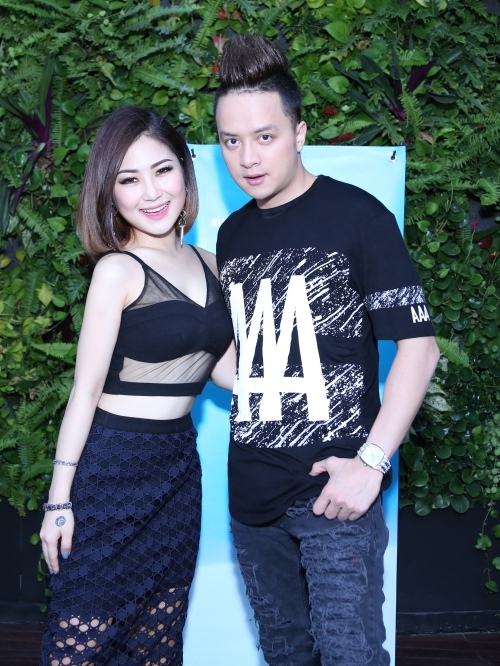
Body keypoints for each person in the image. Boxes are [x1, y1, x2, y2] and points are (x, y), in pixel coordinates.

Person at [214, 34, 440, 666]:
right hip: (251, 499)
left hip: (334, 495)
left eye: (265, 136)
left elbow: (419, 349)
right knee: (286, 655)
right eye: (231, 141)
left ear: (299, 132)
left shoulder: (358, 217)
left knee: (351, 656)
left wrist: (371, 464)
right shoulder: (231, 236)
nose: (247, 158)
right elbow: (247, 360)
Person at [39, 106, 235, 665]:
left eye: (162, 170)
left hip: (177, 471)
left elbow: (224, 370)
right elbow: (84, 391)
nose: (151, 192)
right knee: (80, 641)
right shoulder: (117, 271)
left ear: (185, 173)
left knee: (157, 636)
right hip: (111, 469)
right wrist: (59, 501)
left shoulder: (212, 263)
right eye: (129, 179)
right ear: (110, 193)